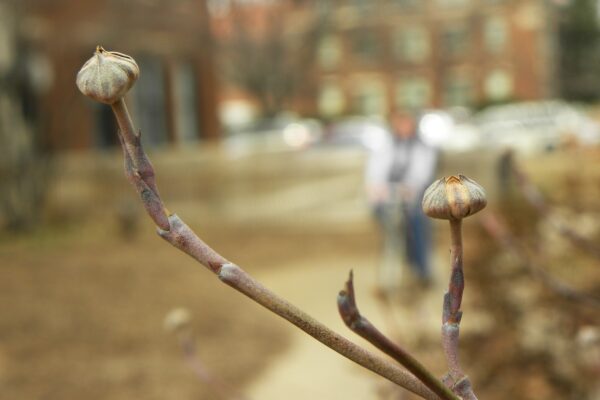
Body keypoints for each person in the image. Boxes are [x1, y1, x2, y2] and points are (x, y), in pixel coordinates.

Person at [365, 110, 438, 293]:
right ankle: (388, 274)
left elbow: (421, 174)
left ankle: (421, 270)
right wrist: (376, 188)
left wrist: (409, 189)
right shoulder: (386, 146)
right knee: (390, 228)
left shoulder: (423, 148)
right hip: (388, 198)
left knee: (417, 224)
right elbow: (375, 170)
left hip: (413, 199)